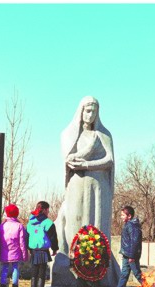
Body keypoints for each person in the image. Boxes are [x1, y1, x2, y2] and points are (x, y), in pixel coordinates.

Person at [55, 96, 115, 267]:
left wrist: (86, 164)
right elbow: (69, 161)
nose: (90, 115)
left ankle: (99, 268)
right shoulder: (68, 134)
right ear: (81, 111)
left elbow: (109, 160)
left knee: (98, 225)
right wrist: (86, 154)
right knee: (75, 224)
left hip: (99, 186)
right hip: (77, 185)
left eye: (94, 112)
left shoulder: (104, 134)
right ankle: (74, 265)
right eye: (87, 111)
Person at [27, 201, 58, 287]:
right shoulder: (48, 223)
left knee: (34, 269)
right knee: (42, 270)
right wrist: (54, 249)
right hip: (43, 249)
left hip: (33, 249)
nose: (48, 212)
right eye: (48, 210)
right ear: (44, 210)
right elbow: (53, 237)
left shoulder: (30, 222)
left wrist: (29, 248)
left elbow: (27, 236)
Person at [0, 204, 28, 287]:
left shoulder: (1, 226)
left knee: (4, 269)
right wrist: (24, 254)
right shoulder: (19, 226)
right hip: (16, 251)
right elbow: (22, 241)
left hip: (4, 251)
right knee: (15, 268)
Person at [110, 205, 143, 287]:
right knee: (124, 272)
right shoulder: (128, 224)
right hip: (126, 253)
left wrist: (132, 256)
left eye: (123, 215)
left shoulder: (132, 225)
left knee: (137, 273)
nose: (121, 217)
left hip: (131, 254)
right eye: (121, 215)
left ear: (129, 216)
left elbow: (135, 241)